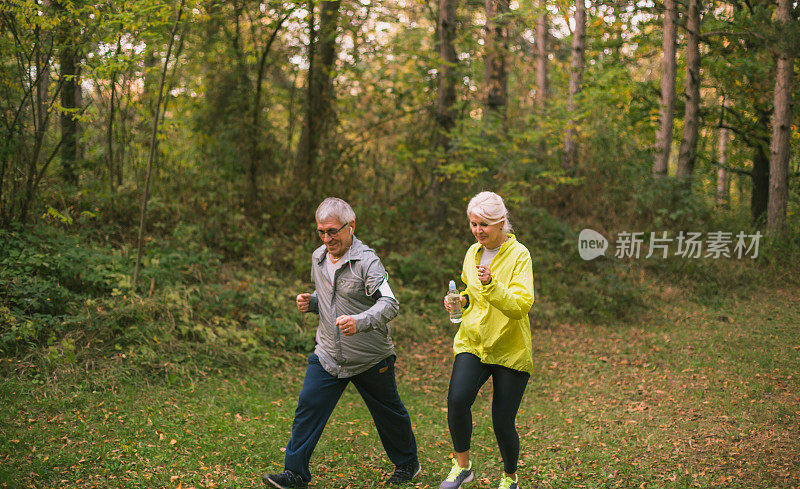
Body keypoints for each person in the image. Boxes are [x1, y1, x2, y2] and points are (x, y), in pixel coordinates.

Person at [264, 197, 420, 489]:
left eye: (333, 231)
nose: (327, 238)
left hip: (370, 357)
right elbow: (330, 298)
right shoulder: (318, 257)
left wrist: (359, 321)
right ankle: (295, 474)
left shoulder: (368, 262)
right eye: (321, 231)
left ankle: (407, 463)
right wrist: (311, 302)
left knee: (388, 413)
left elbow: (390, 303)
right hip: (328, 354)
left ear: (351, 227)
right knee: (308, 406)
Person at [439, 191, 535, 489]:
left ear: (501, 223)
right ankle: (462, 467)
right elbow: (472, 292)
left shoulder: (520, 255)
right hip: (473, 342)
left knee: (502, 422)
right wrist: (462, 299)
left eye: (484, 224)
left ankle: (509, 477)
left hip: (509, 348)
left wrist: (491, 284)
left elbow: (521, 305)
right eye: (473, 224)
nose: (478, 230)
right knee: (456, 400)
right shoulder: (473, 252)